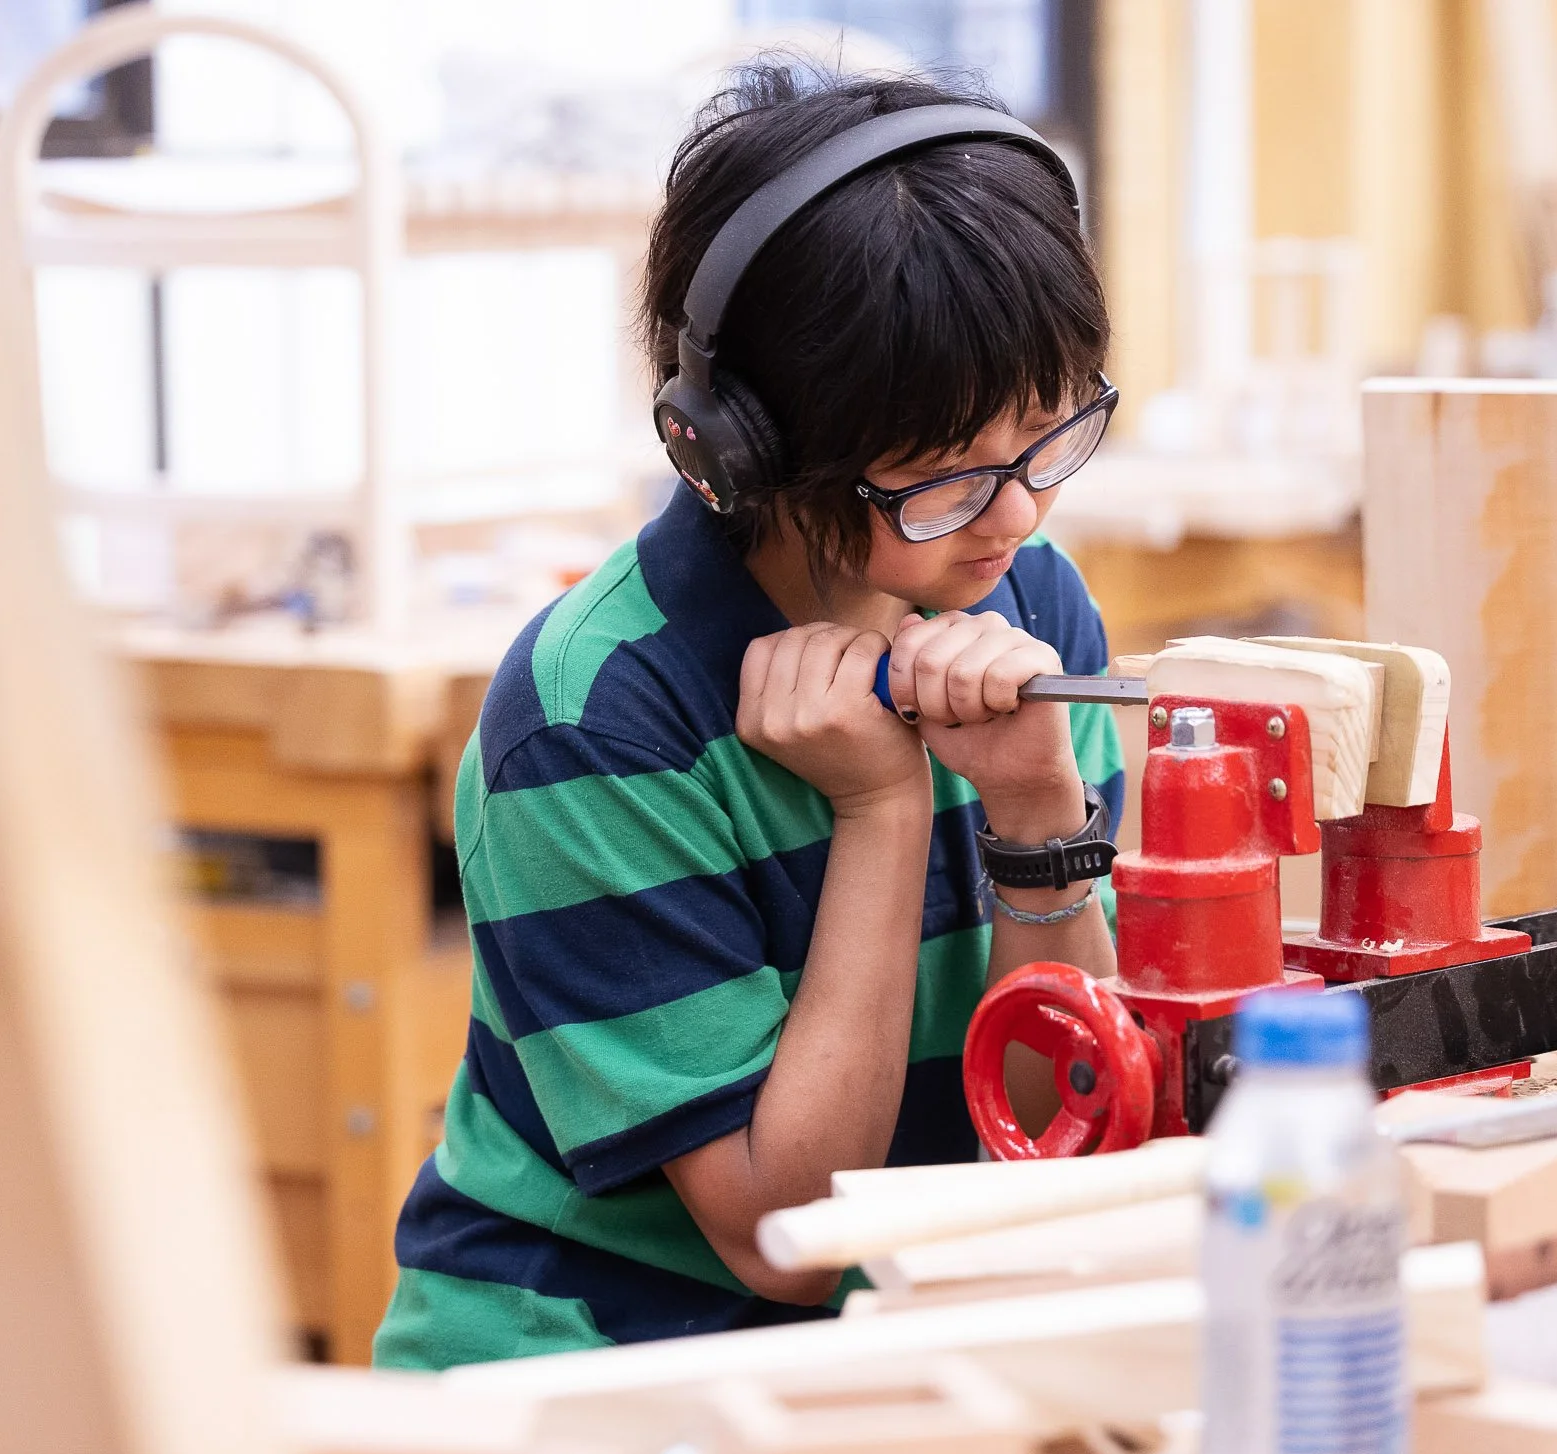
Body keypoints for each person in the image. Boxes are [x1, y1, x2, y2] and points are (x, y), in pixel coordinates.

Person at [373, 63, 1124, 1369]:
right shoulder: (595, 722)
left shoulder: (1030, 609)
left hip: (901, 1347)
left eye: (1045, 439)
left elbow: (1065, 1125)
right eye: (945, 477)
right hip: (587, 1370)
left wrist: (1035, 814)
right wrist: (881, 809)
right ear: (741, 450)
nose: (1015, 517)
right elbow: (789, 1239)